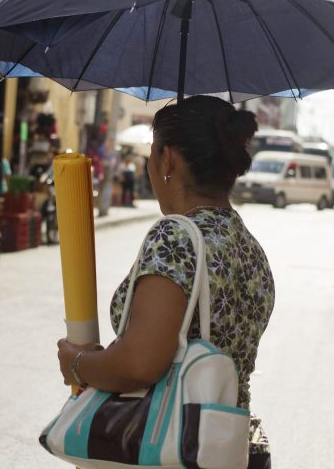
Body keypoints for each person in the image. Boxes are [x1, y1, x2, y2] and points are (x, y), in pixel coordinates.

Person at [56, 96, 274, 468]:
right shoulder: (248, 246)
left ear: (167, 159)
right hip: (229, 449)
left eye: (151, 153)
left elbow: (140, 364)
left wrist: (77, 363)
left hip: (172, 449)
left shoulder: (175, 238)